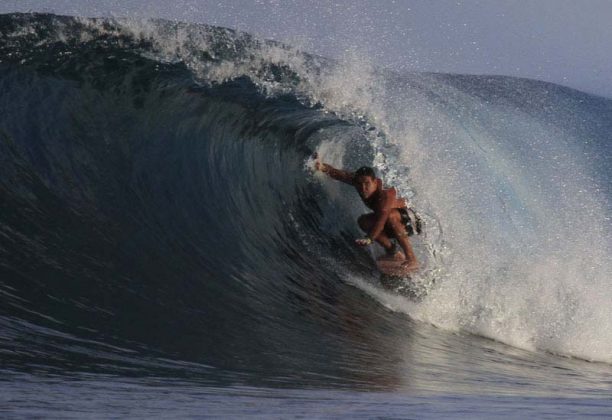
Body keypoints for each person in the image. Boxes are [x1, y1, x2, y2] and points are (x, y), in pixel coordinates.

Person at [314, 154, 421, 271]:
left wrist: (370, 239)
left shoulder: (384, 196)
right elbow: (341, 175)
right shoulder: (359, 182)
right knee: (363, 221)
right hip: (396, 222)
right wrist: (322, 167)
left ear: (375, 182)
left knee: (389, 216)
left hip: (413, 220)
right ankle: (393, 252)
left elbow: (381, 222)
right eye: (359, 184)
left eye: (367, 184)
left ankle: (412, 259)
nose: (363, 188)